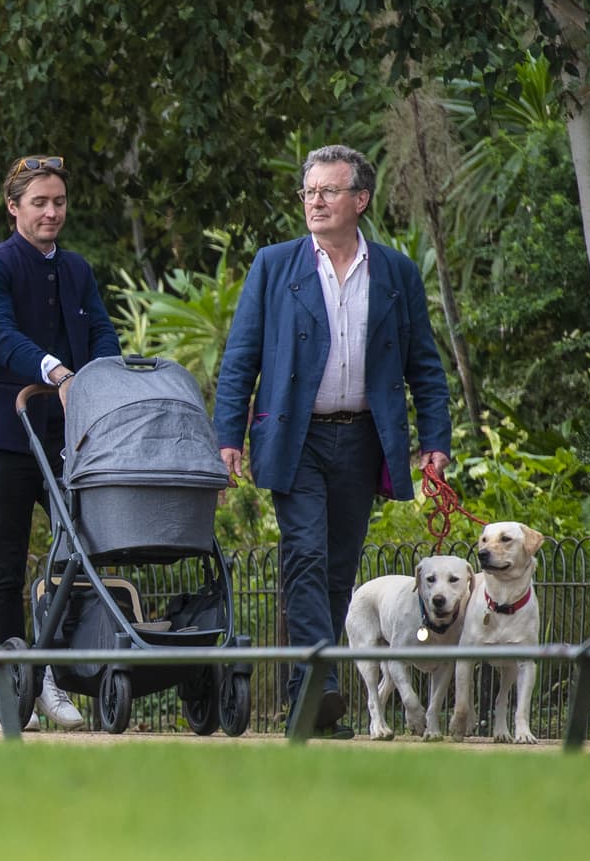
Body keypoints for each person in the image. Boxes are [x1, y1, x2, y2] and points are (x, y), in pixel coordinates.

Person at [213, 145, 452, 739]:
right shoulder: (274, 266)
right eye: (309, 192)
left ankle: (305, 699)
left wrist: (435, 441)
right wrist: (226, 438)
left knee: (338, 569)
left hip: (363, 440)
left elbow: (425, 365)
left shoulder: (394, 272)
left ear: (359, 200)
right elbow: (241, 358)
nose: (314, 202)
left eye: (328, 191)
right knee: (305, 558)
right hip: (296, 439)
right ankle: (321, 686)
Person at [0, 154, 121, 731]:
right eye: (39, 203)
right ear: (14, 208)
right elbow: (2, 338)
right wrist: (56, 372)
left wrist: (110, 373)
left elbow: (101, 329)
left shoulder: (76, 269)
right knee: (6, 561)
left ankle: (57, 674)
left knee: (76, 555)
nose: (51, 212)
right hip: (7, 434)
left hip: (70, 437)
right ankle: (15, 686)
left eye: (58, 202)